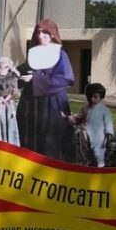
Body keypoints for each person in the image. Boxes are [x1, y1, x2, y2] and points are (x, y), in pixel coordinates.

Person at [17, 19, 75, 162]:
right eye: (38, 32)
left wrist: (35, 80)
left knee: (51, 140)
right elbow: (22, 71)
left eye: (45, 33)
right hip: (31, 103)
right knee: (29, 138)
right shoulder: (34, 54)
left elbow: (66, 78)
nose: (41, 36)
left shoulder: (61, 55)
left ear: (53, 35)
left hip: (52, 103)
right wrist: (16, 76)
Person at [74, 82, 114, 167]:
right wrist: (74, 119)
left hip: (99, 136)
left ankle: (100, 168)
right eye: (90, 96)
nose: (92, 99)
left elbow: (108, 122)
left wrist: (109, 134)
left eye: (95, 97)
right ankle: (86, 166)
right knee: (84, 152)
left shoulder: (104, 110)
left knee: (98, 153)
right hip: (85, 134)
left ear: (101, 97)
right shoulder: (84, 108)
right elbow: (79, 118)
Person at [0, 56, 21, 146]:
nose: (2, 70)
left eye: (6, 67)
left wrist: (6, 99)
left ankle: (11, 145)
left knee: (9, 126)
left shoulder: (12, 77)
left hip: (8, 105)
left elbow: (14, 91)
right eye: (0, 67)